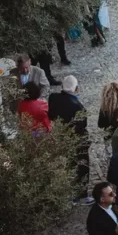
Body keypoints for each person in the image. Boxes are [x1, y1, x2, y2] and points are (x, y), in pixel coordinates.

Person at [48, 75, 92, 205]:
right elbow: (81, 126)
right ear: (76, 88)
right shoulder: (78, 107)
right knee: (82, 166)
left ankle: (70, 193)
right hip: (77, 140)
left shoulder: (53, 98)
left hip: (61, 137)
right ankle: (82, 195)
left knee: (69, 165)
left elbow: (51, 115)